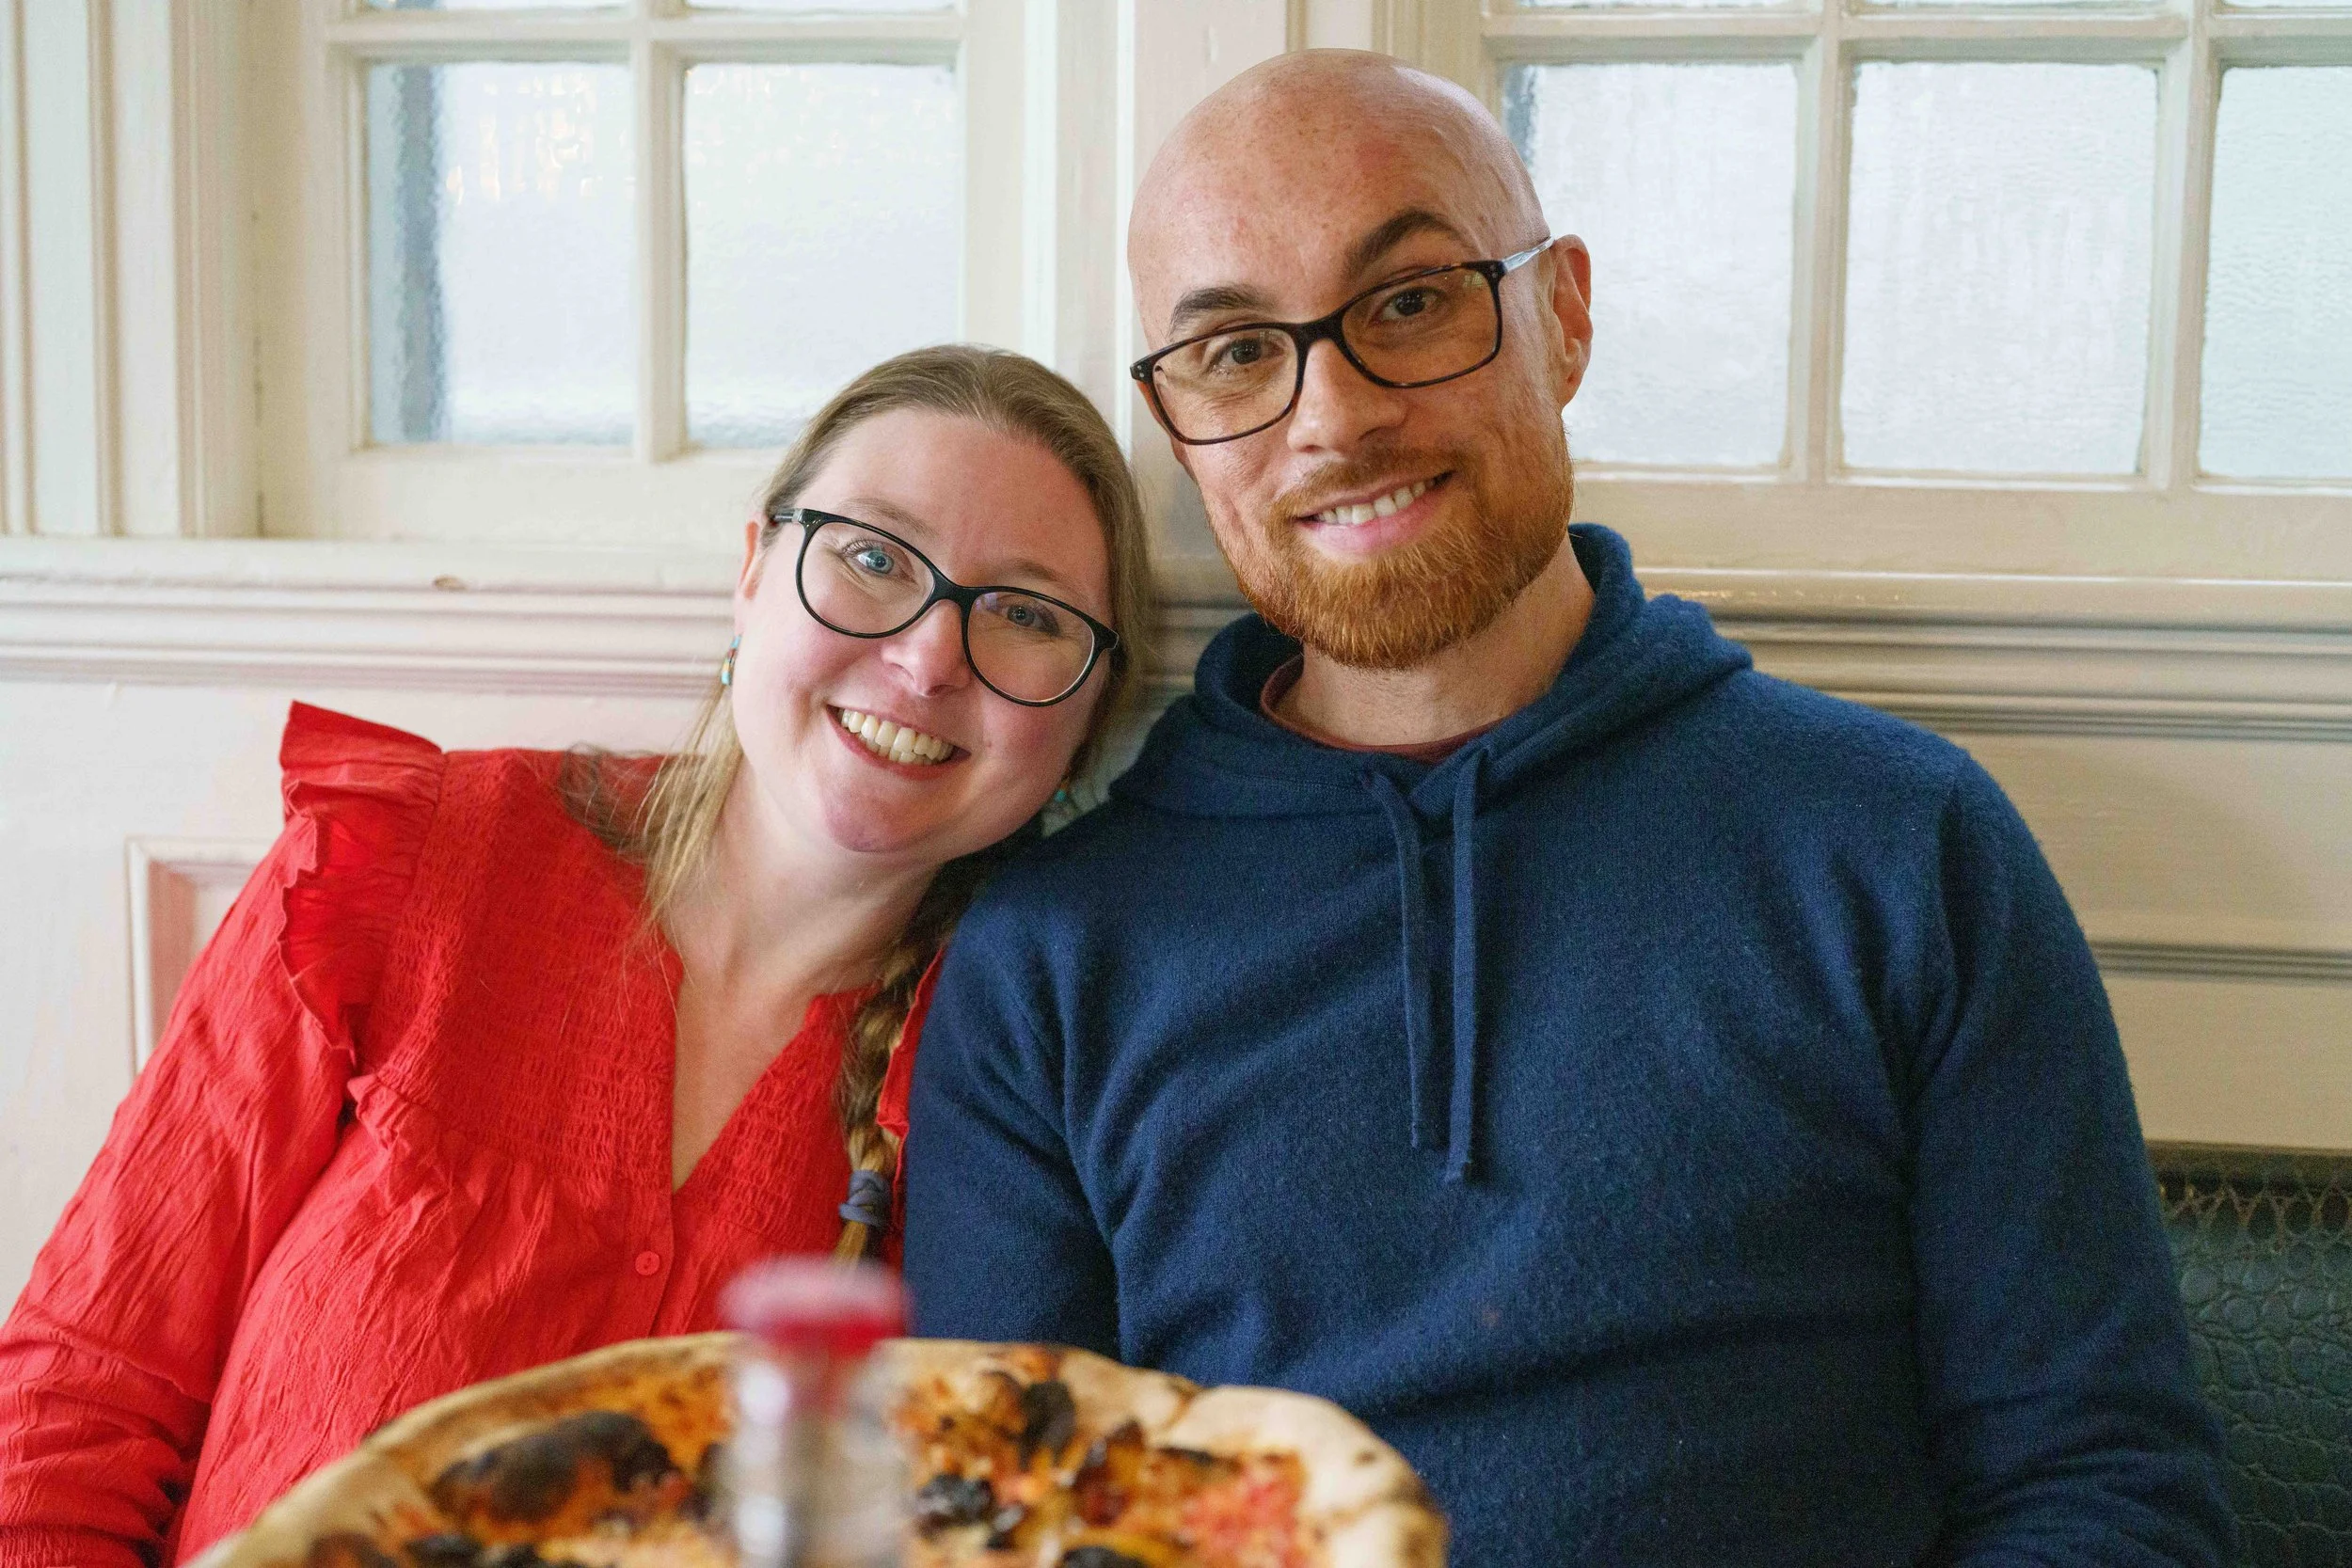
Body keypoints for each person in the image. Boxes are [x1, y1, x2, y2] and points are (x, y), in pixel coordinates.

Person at [903, 53, 2233, 1567]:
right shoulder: (1052, 958)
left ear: (1566, 316)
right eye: (1236, 353)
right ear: (1176, 416)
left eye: (1412, 302)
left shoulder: (1900, 849)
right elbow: (999, 1537)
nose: (1334, 415)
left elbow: (2105, 1491)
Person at [0, 344, 1152, 1567]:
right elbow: (74, 1407)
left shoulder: (1028, 1091)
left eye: (1026, 614)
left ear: (1085, 722)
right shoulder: (411, 863)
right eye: (873, 557)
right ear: (753, 572)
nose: (926, 658)